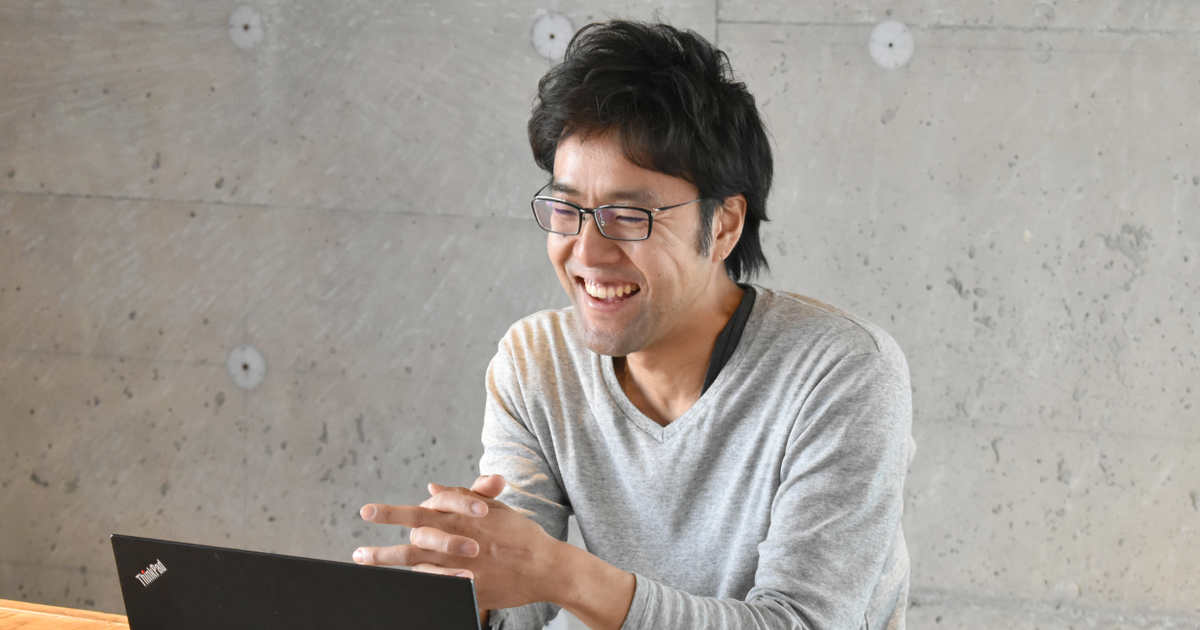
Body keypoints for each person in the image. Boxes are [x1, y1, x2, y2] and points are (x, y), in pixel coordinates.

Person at [352, 20, 915, 630]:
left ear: (724, 225)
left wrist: (564, 574)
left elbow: (802, 622)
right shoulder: (538, 362)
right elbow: (522, 601)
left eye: (629, 215)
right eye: (567, 208)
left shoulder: (841, 373)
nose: (587, 252)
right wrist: (471, 585)